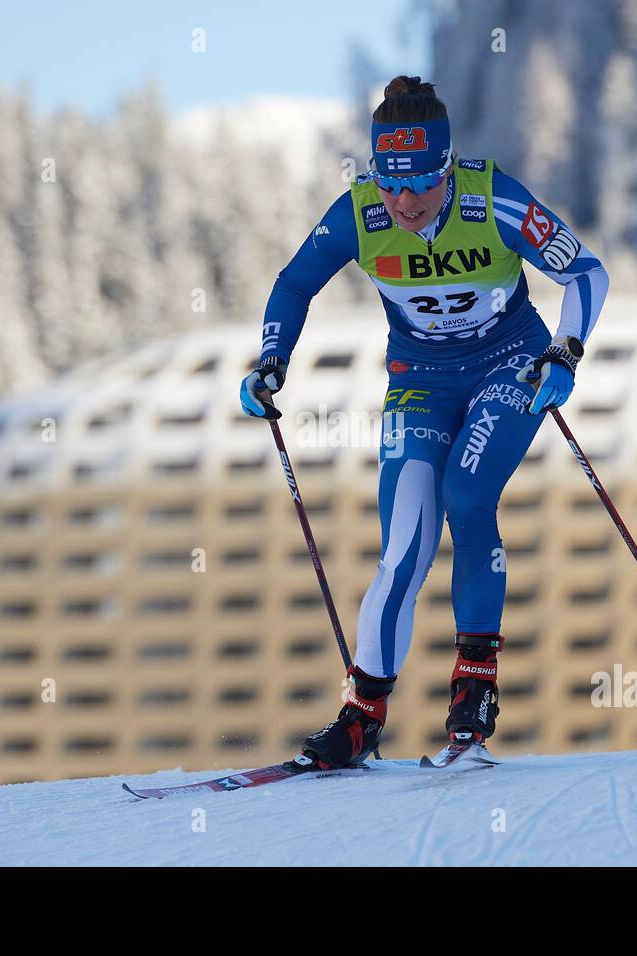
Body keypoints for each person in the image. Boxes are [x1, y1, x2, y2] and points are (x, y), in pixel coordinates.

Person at [240, 75, 609, 767]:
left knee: (466, 497)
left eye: (420, 185)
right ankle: (361, 717)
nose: (403, 202)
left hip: (509, 363)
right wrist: (270, 361)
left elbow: (586, 272)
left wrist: (566, 350)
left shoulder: (491, 197)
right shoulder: (359, 213)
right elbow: (294, 284)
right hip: (420, 382)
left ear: (448, 170)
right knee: (404, 545)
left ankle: (474, 689)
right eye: (390, 184)